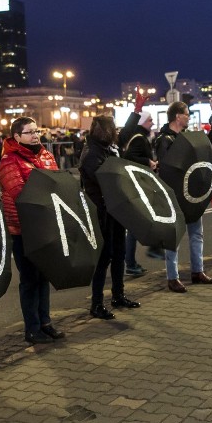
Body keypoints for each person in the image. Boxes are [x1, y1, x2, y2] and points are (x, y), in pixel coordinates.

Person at [0, 117, 68, 340]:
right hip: (22, 227)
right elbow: (20, 192)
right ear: (17, 137)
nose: (35, 136)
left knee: (44, 276)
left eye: (36, 131)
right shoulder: (9, 160)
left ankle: (45, 322)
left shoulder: (45, 154)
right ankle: (32, 327)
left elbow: (56, 182)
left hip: (45, 224)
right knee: (29, 279)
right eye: (29, 132)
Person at [79, 115, 141, 317]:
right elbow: (105, 181)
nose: (114, 133)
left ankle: (118, 295)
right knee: (104, 258)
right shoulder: (91, 153)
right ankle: (96, 304)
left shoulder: (106, 148)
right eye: (111, 129)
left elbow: (124, 136)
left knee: (119, 255)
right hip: (101, 212)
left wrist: (137, 111)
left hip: (114, 210)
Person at [155, 101, 212, 292]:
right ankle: (172, 277)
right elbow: (166, 168)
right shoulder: (164, 139)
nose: (189, 117)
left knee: (196, 234)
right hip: (174, 195)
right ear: (177, 117)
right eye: (187, 114)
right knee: (174, 237)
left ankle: (197, 271)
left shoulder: (185, 137)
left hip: (191, 195)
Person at [122, 111, 157, 276]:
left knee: (136, 226)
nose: (152, 122)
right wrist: (148, 162)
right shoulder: (139, 138)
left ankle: (131, 261)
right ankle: (130, 262)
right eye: (150, 120)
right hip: (137, 185)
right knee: (135, 227)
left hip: (137, 184)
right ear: (142, 121)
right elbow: (130, 156)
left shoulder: (138, 136)